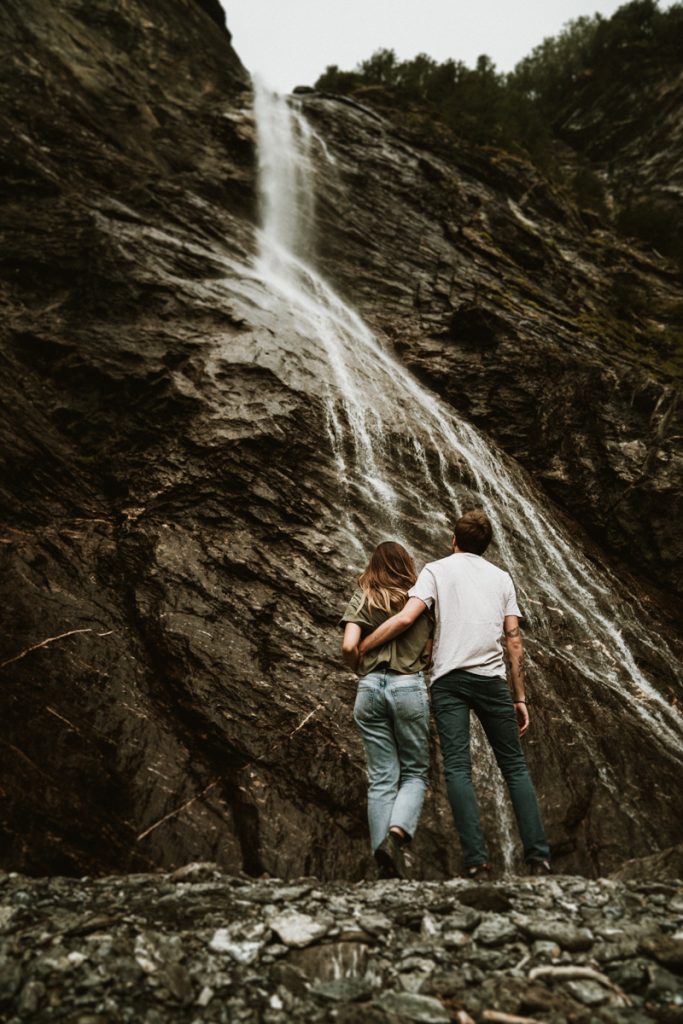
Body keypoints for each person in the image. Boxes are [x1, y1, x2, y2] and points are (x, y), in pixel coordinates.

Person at [358, 509, 550, 878]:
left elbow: (404, 619)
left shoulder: (436, 570)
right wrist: (520, 697)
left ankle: (476, 863)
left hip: (448, 681)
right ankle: (538, 857)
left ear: (454, 540)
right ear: (486, 546)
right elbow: (513, 640)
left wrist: (366, 644)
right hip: (492, 680)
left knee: (458, 769)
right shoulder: (502, 578)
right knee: (514, 767)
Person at [340, 541, 433, 880]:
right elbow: (430, 650)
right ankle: (394, 840)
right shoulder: (421, 598)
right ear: (407, 564)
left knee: (381, 778)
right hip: (407, 685)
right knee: (415, 772)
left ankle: (383, 863)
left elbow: (349, 645)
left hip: (369, 688)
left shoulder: (363, 596)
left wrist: (359, 668)